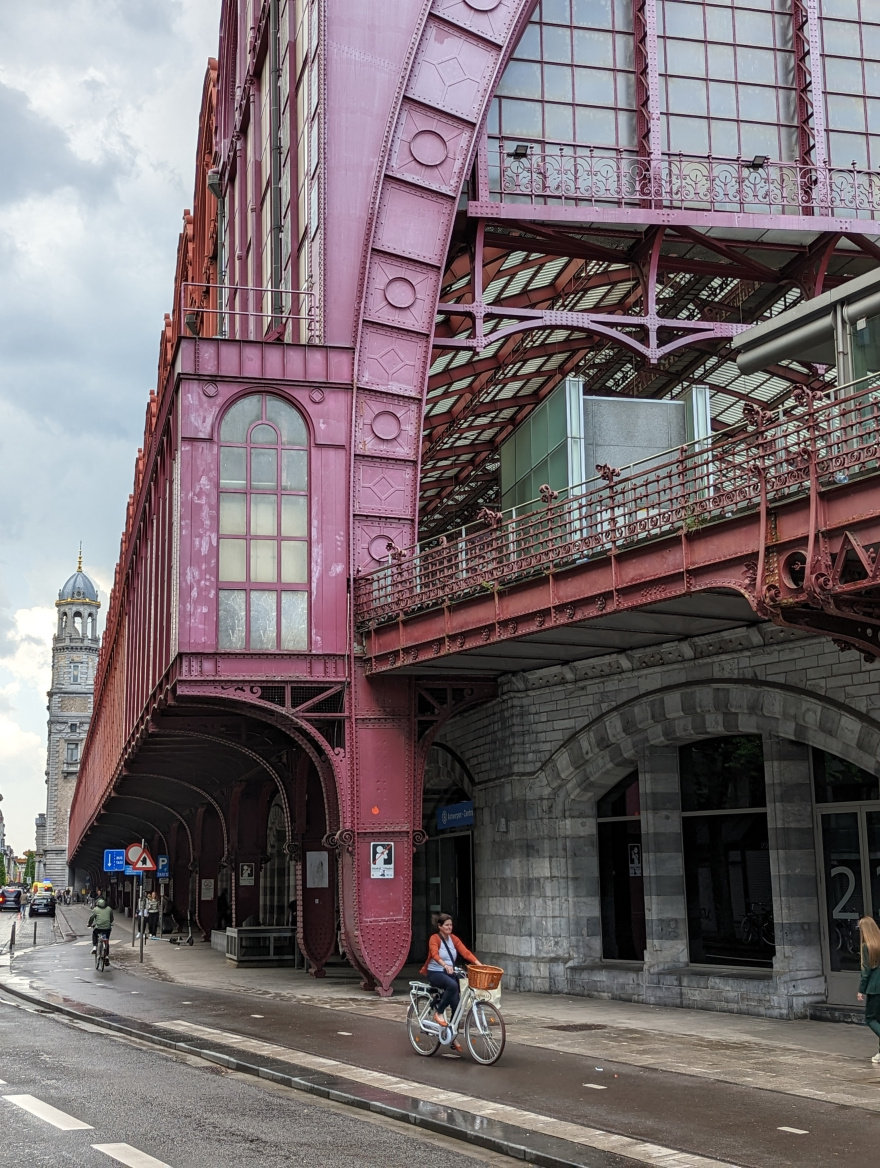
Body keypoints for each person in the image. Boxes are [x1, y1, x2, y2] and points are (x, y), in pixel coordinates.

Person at [420, 913, 482, 1048]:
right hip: (436, 972)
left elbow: (465, 952)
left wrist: (479, 964)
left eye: (451, 925)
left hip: (450, 972)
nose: (449, 927)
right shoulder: (434, 938)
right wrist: (445, 965)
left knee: (457, 1005)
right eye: (446, 925)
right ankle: (439, 1012)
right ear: (440, 926)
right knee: (453, 986)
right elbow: (434, 954)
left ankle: (451, 1035)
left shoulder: (453, 939)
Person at [858, 916, 880, 1063]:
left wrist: (861, 990)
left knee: (870, 1018)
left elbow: (866, 972)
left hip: (875, 987)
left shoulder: (867, 946)